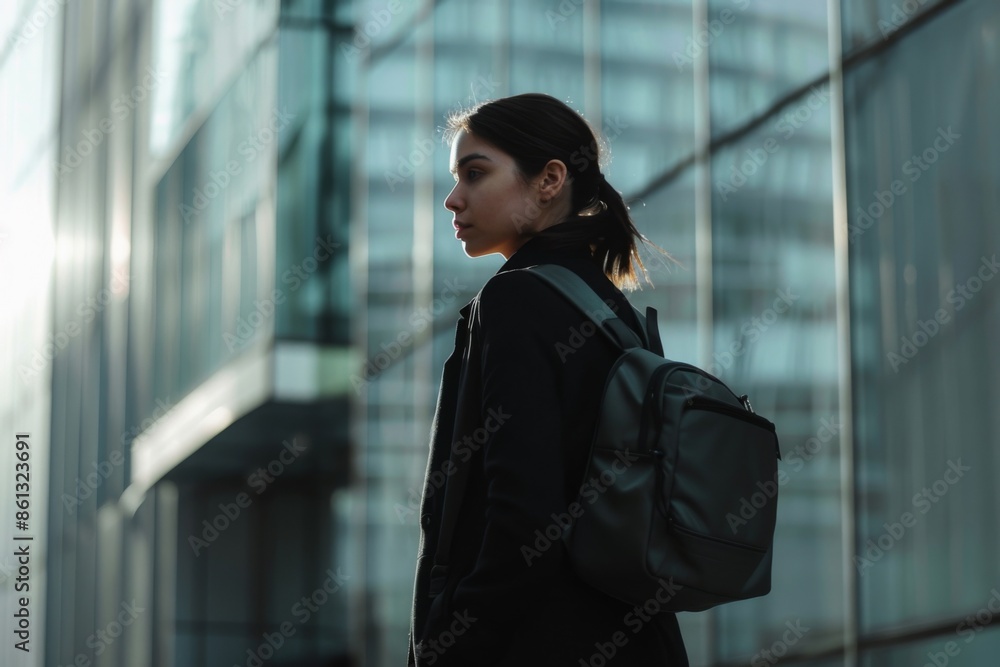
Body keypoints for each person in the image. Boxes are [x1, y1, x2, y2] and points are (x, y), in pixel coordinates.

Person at [407, 93, 688, 666]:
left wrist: (448, 643)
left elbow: (523, 522)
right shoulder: (615, 314)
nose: (453, 198)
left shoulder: (518, 298)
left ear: (550, 180)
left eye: (474, 173)